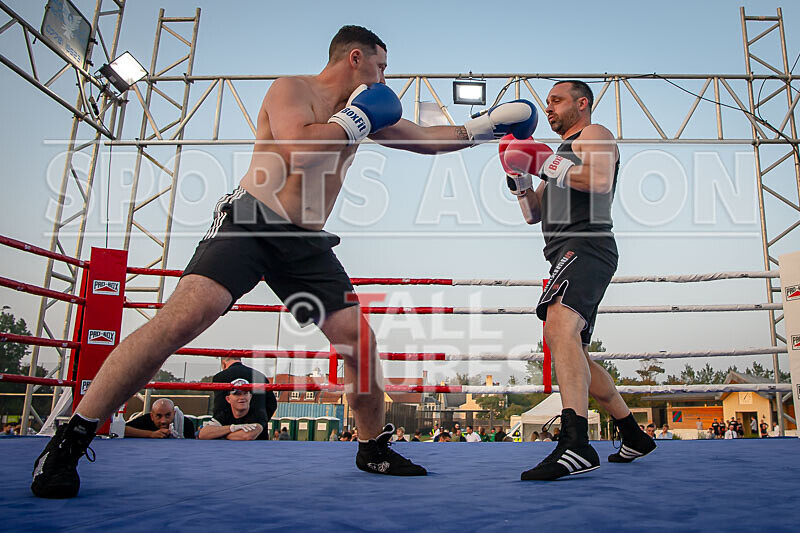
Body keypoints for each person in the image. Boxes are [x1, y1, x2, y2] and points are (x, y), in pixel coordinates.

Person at [30, 24, 539, 497]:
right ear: (356, 58)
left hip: (307, 245)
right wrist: (356, 118)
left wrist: (487, 126)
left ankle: (373, 448)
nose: (386, 79)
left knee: (360, 345)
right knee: (178, 322)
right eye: (381, 68)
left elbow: (428, 142)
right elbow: (299, 148)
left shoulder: (364, 111)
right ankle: (70, 439)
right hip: (252, 222)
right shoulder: (293, 89)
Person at [500, 80, 655, 481]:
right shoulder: (559, 156)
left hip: (587, 242)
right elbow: (534, 214)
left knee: (559, 326)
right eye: (546, 102)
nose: (547, 108)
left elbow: (599, 181)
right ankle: (632, 434)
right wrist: (519, 177)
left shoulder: (594, 134)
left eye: (556, 101)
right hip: (562, 249)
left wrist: (544, 163)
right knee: (576, 353)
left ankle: (576, 443)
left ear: (581, 104)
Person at [212, 356, 276, 424]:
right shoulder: (259, 375)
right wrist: (261, 422)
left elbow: (219, 406)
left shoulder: (220, 378)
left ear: (223, 364)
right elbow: (272, 404)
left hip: (228, 429)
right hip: (256, 428)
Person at [198, 379, 267, 441]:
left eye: (245, 393)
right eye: (237, 394)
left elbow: (247, 436)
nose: (242, 397)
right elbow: (203, 434)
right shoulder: (225, 414)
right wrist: (232, 428)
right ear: (228, 399)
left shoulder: (258, 413)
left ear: (250, 397)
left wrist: (219, 434)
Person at [124, 398, 194, 439]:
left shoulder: (186, 424)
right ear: (152, 416)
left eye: (167, 415)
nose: (163, 421)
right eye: (158, 416)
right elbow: (123, 430)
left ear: (174, 414)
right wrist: (151, 434)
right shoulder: (145, 420)